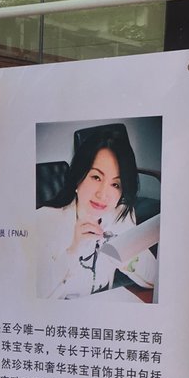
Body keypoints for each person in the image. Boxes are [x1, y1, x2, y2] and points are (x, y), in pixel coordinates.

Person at [30, 124, 158, 300]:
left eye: (115, 184)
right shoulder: (45, 220)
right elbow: (36, 295)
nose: (103, 194)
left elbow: (153, 279)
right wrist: (73, 251)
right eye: (96, 177)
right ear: (78, 177)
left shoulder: (120, 215)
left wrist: (123, 250)